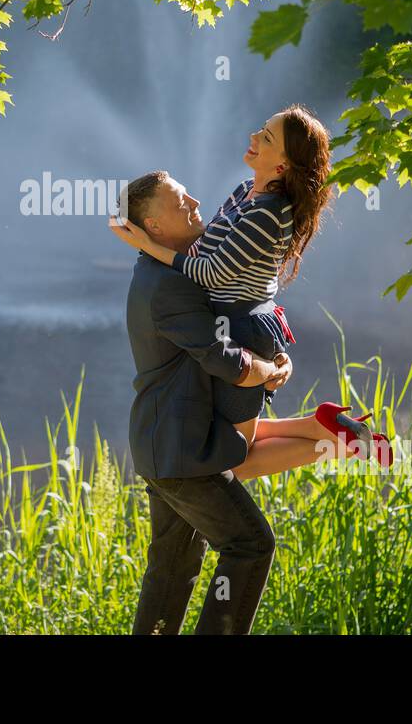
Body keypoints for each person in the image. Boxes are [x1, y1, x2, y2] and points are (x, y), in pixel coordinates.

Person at [111, 105, 390, 481]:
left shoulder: (268, 213)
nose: (254, 138)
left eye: (267, 138)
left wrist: (151, 246)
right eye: (261, 129)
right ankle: (321, 424)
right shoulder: (247, 193)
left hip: (243, 332)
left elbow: (213, 273)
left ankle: (341, 443)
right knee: (235, 440)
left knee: (235, 460)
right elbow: (215, 250)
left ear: (281, 167)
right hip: (237, 325)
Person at [120, 169, 292, 635]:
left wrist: (271, 355)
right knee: (250, 545)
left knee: (173, 568)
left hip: (168, 448)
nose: (196, 201)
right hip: (181, 453)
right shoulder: (167, 284)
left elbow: (236, 315)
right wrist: (266, 371)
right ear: (154, 227)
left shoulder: (168, 269)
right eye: (180, 201)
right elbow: (221, 358)